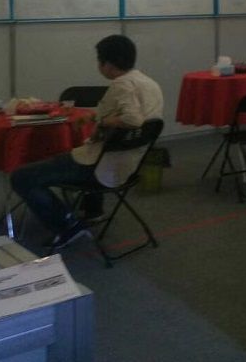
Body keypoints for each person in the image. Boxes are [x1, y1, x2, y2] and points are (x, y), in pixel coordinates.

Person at [11, 35, 163, 249]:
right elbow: (136, 119)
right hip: (129, 165)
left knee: (21, 176)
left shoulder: (122, 85)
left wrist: (102, 121)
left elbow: (132, 119)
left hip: (99, 167)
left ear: (107, 64)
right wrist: (94, 117)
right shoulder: (150, 83)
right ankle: (93, 211)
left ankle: (67, 225)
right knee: (73, 153)